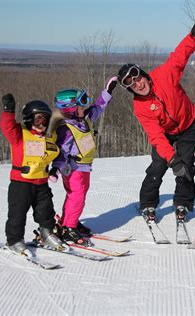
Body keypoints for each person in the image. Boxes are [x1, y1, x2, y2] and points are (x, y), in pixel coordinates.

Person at [116, 6, 195, 223]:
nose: (137, 85)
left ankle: (183, 203)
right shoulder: (140, 106)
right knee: (158, 166)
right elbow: (156, 136)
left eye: (137, 78)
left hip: (187, 125)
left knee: (186, 165)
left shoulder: (165, 75)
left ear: (143, 75)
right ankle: (148, 203)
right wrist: (171, 158)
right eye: (131, 85)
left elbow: (181, 54)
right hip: (166, 133)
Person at [49, 77, 118, 246]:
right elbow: (61, 154)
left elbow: (98, 107)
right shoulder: (66, 129)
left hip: (84, 167)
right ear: (70, 109)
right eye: (81, 106)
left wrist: (107, 92)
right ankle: (69, 228)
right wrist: (55, 170)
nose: (84, 108)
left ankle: (70, 221)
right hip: (72, 168)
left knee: (79, 195)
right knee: (77, 196)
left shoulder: (84, 119)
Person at [0, 94, 65, 254]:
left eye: (45, 120)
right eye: (38, 119)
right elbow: (7, 127)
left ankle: (46, 233)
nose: (42, 123)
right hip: (21, 183)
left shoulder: (50, 137)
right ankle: (14, 240)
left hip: (41, 183)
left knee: (46, 210)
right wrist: (9, 110)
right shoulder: (19, 135)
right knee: (18, 213)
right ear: (29, 119)